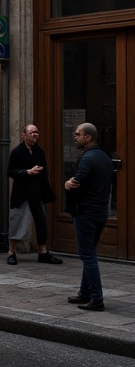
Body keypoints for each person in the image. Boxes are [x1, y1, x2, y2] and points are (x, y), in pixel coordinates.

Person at [64, 121, 115, 311]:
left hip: (86, 212)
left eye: (78, 134)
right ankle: (84, 293)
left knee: (87, 256)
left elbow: (78, 184)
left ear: (88, 138)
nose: (75, 137)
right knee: (89, 253)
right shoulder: (104, 157)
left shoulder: (87, 159)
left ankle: (96, 298)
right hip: (101, 212)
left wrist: (67, 185)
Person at [6, 123, 62, 265]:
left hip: (37, 192)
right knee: (16, 221)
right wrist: (27, 172)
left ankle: (43, 252)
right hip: (21, 193)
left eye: (36, 132)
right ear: (23, 135)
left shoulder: (39, 152)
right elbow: (10, 171)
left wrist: (46, 193)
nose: (34, 135)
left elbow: (44, 174)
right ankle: (11, 252)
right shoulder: (17, 151)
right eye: (31, 132)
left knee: (41, 222)